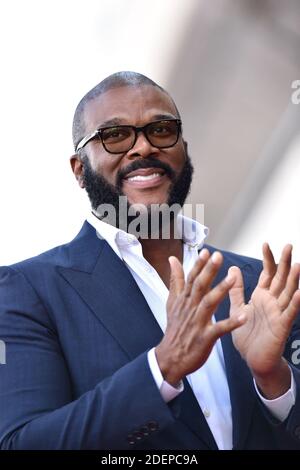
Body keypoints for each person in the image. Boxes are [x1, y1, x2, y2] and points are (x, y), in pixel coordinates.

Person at [0, 71, 300, 450]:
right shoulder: (28, 291)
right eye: (114, 135)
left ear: (183, 149)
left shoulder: (257, 282)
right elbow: (22, 444)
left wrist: (273, 379)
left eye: (160, 129)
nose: (142, 147)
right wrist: (163, 367)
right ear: (79, 169)